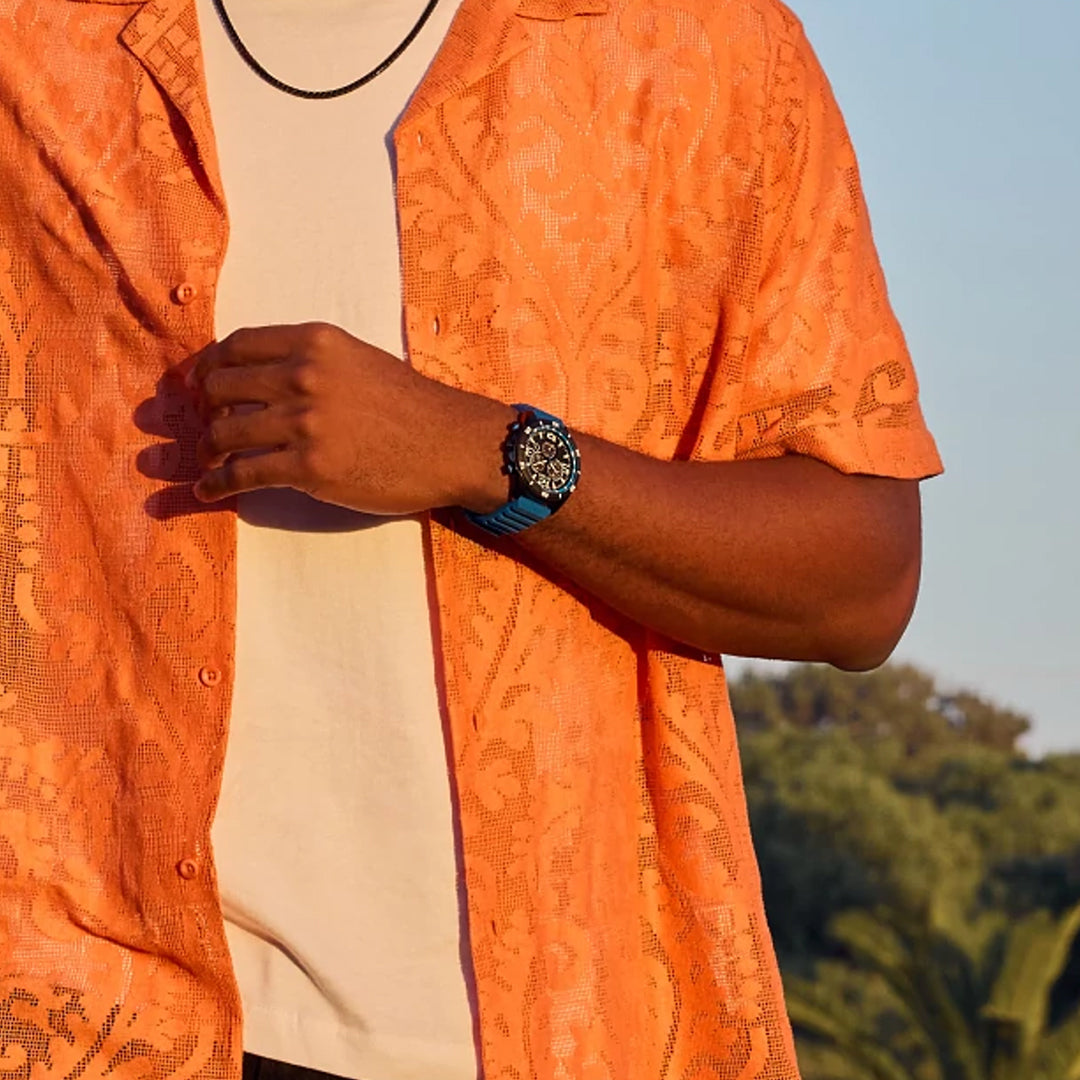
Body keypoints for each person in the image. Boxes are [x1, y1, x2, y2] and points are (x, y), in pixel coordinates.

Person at [0, 0, 941, 1077]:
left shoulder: (695, 49)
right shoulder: (35, 45)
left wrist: (485, 453)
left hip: (554, 1027)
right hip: (81, 1012)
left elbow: (863, 581)